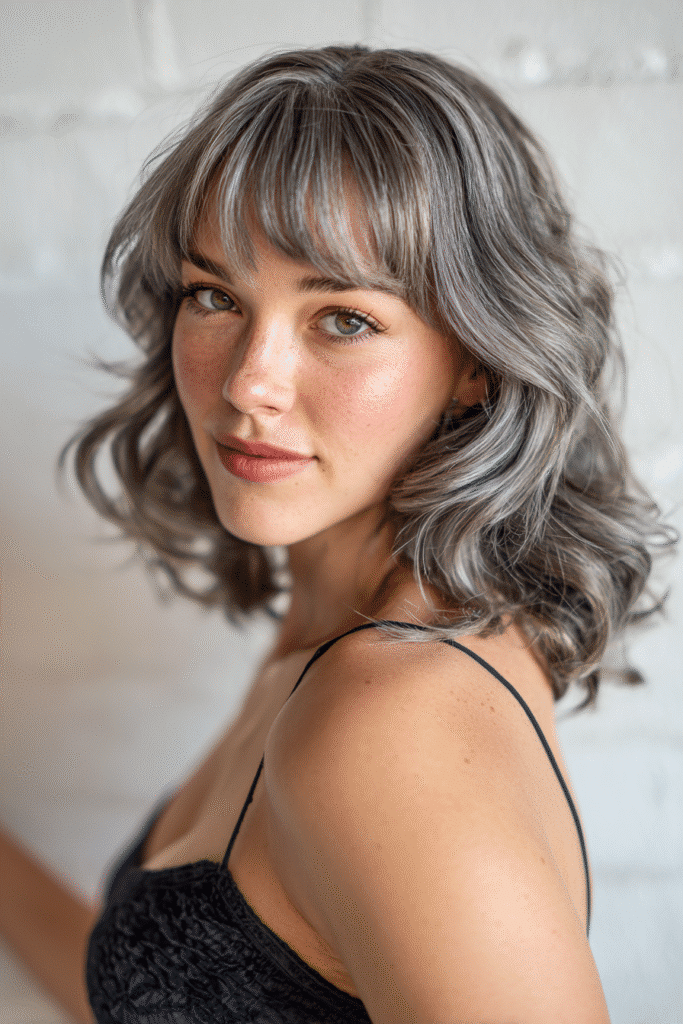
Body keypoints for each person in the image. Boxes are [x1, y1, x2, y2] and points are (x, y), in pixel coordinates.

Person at [0, 44, 675, 1024]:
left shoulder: (385, 723)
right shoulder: (345, 634)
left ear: (475, 362)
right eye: (215, 296)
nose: (246, 383)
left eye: (342, 319)